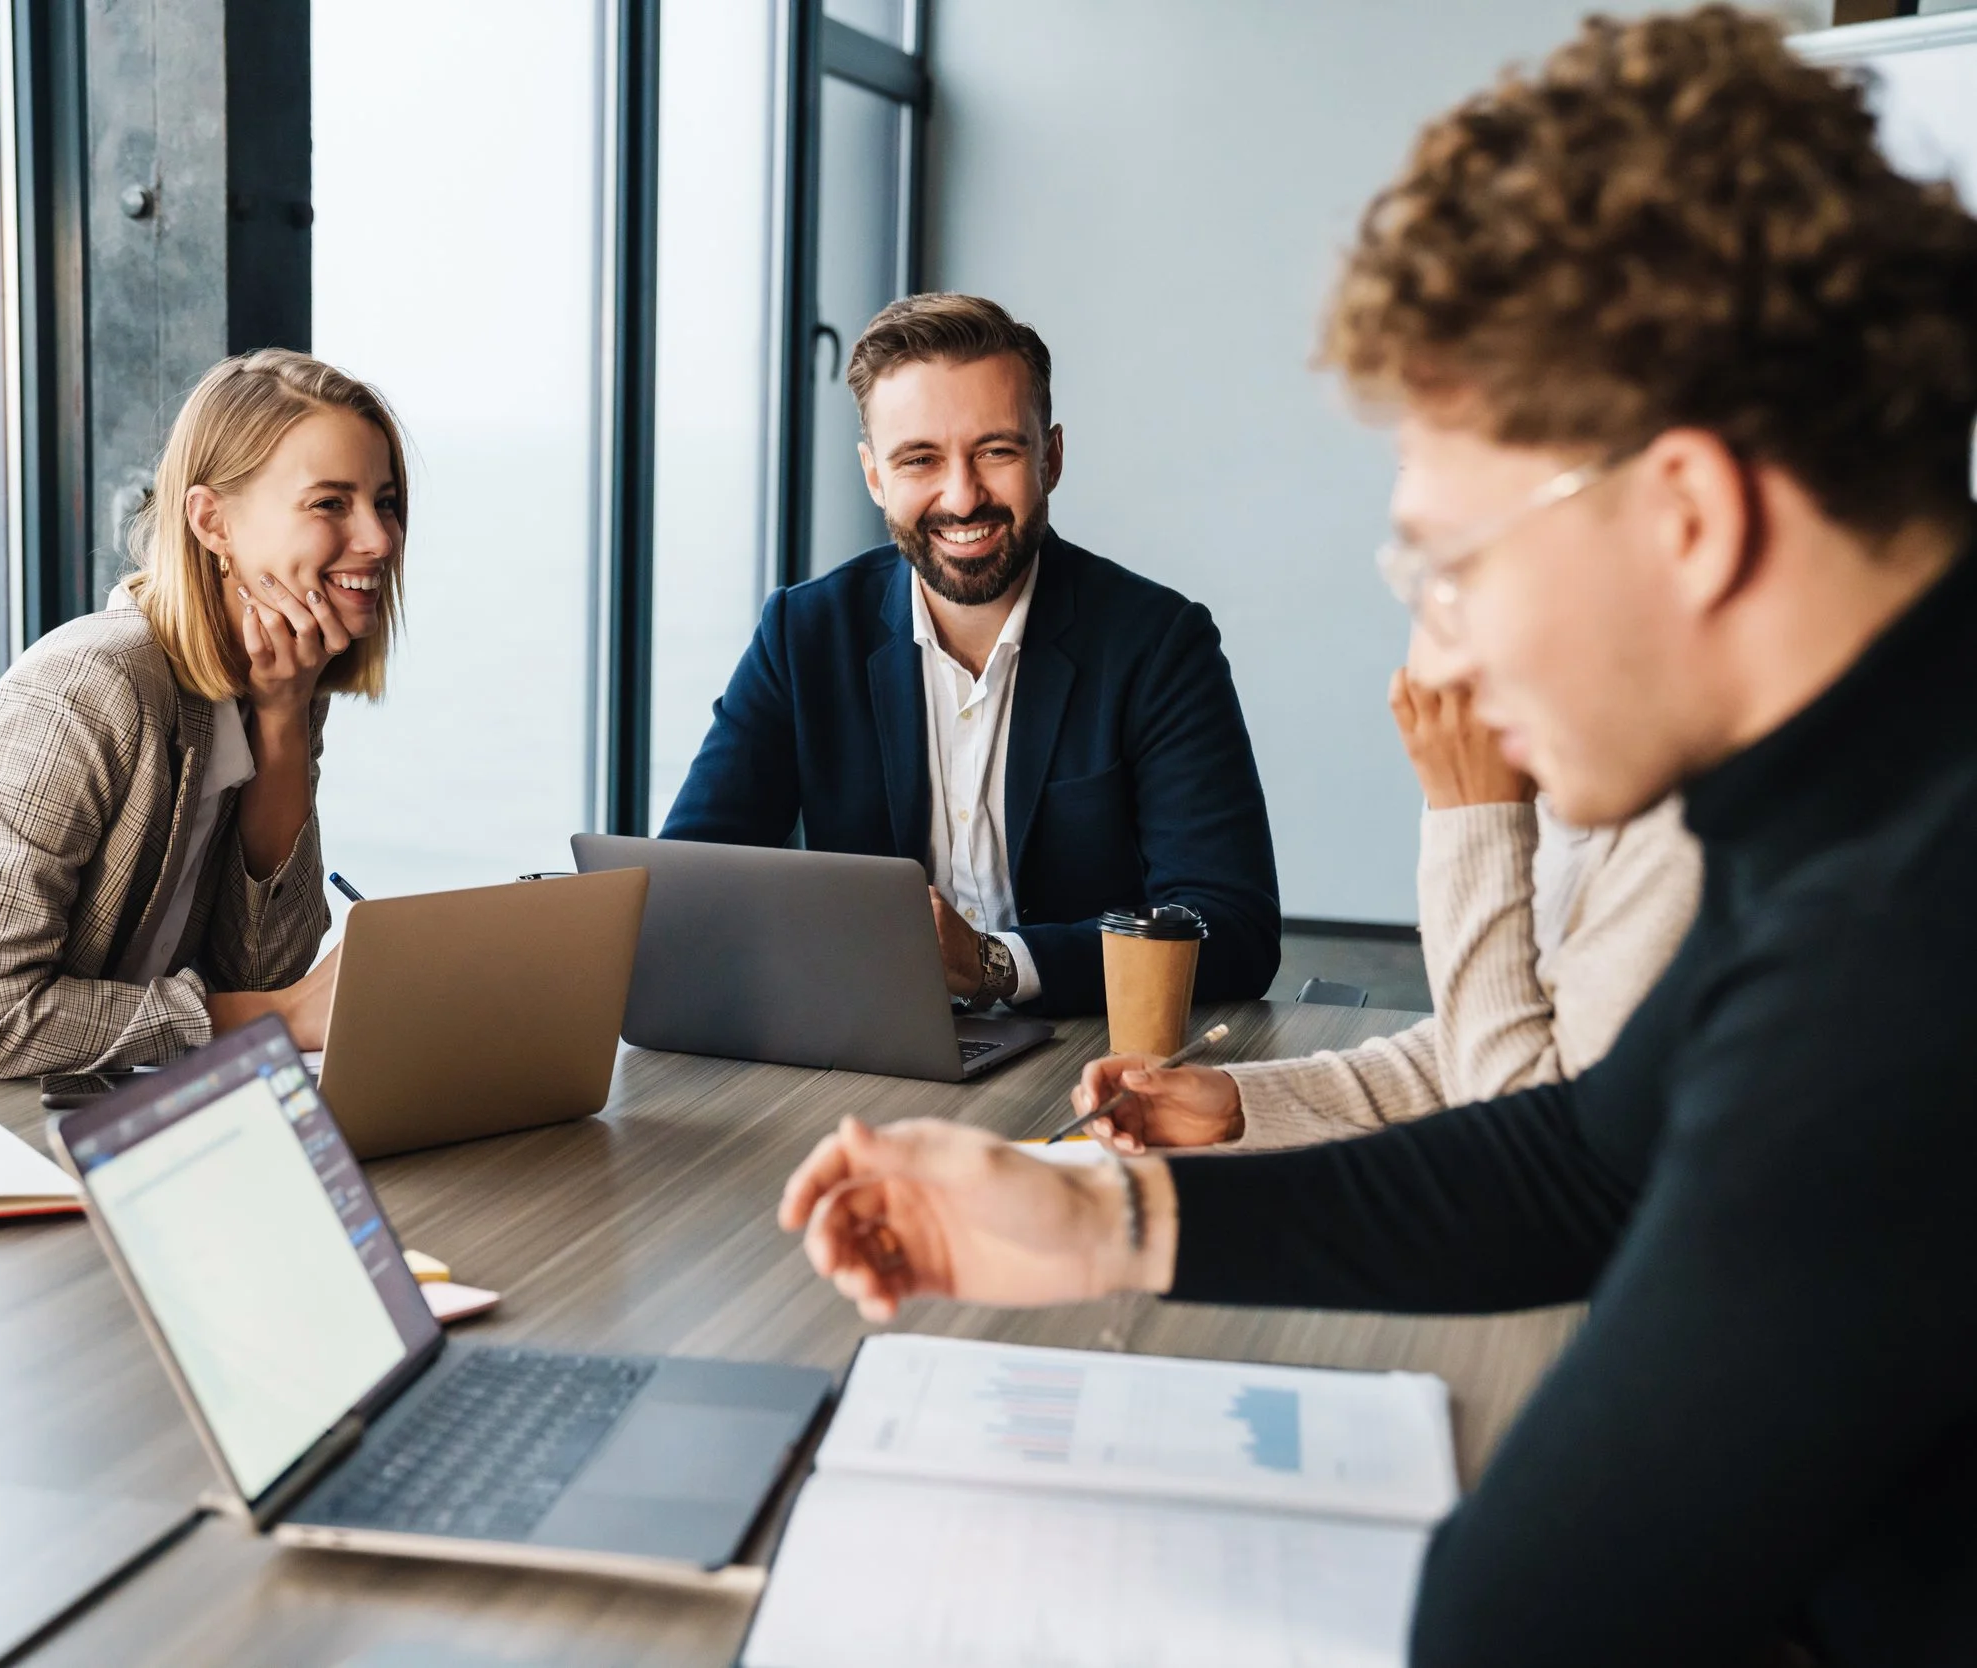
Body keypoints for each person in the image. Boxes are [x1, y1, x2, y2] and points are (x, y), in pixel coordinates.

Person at [779, 11, 1977, 1662]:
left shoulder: (1907, 950)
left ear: (1691, 516)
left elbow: (1510, 1619)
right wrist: (1100, 1219)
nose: (1440, 658)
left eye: (1454, 562)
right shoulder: (1870, 778)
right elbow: (1590, 1149)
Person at [0, 350, 406, 1142]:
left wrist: (281, 720)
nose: (377, 537)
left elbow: (264, 972)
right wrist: (268, 1015)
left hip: (53, 1127)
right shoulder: (87, 689)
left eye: (386, 501)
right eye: (330, 503)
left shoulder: (279, 684)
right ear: (212, 522)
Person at [663, 293, 1281, 1015]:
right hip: (870, 1051)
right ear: (874, 477)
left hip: (1088, 1057)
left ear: (1049, 457)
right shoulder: (804, 634)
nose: (962, 497)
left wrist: (993, 964)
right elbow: (690, 885)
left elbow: (1233, 930)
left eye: (996, 451)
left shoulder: (1160, 644)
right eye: (920, 459)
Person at [1086, 640, 1700, 1152]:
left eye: (1458, 567)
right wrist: (1240, 1105)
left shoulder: (1682, 831)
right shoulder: (1541, 777)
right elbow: (1485, 1045)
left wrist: (1476, 819)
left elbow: (1530, 1148)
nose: (1424, 654)